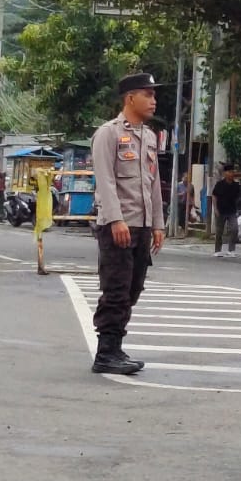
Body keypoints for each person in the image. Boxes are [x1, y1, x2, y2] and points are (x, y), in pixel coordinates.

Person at [88, 72, 167, 375]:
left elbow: (154, 183)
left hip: (142, 226)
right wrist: (116, 219)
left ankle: (116, 348)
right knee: (116, 290)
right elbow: (105, 180)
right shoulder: (107, 134)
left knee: (133, 289)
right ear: (130, 98)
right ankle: (106, 353)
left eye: (154, 95)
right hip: (118, 225)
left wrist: (158, 224)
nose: (153, 100)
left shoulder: (149, 137)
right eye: (148, 94)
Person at [211, 165, 241, 259]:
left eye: (232, 172)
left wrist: (238, 207)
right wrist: (215, 209)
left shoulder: (236, 185)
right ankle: (217, 250)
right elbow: (214, 196)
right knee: (219, 231)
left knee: (234, 229)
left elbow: (239, 198)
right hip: (221, 210)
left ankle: (231, 250)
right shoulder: (220, 184)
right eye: (229, 172)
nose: (231, 174)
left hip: (232, 211)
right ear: (225, 173)